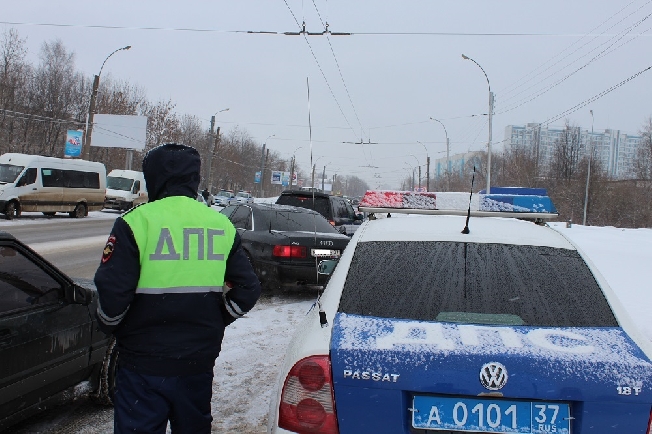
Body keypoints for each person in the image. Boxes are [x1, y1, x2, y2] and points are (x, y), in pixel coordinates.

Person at [94, 143, 261, 434]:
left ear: (153, 178)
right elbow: (248, 288)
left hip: (142, 363)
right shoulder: (219, 225)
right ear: (194, 179)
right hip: (196, 362)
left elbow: (112, 293)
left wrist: (111, 326)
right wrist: (216, 318)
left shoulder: (135, 222)